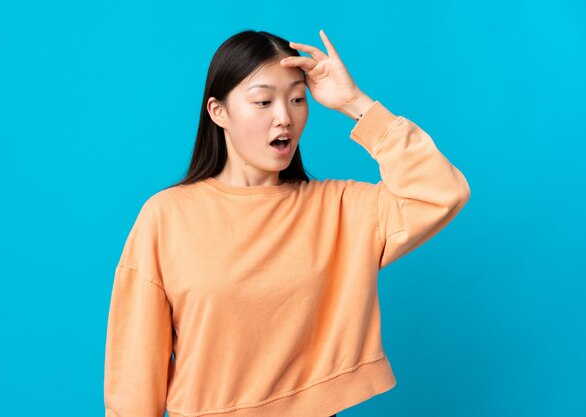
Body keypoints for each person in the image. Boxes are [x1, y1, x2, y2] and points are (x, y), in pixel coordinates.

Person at [104, 29, 470, 417]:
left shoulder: (338, 209)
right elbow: (133, 377)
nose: (284, 118)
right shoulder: (167, 216)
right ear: (219, 112)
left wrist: (354, 102)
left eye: (297, 99)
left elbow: (441, 191)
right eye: (263, 101)